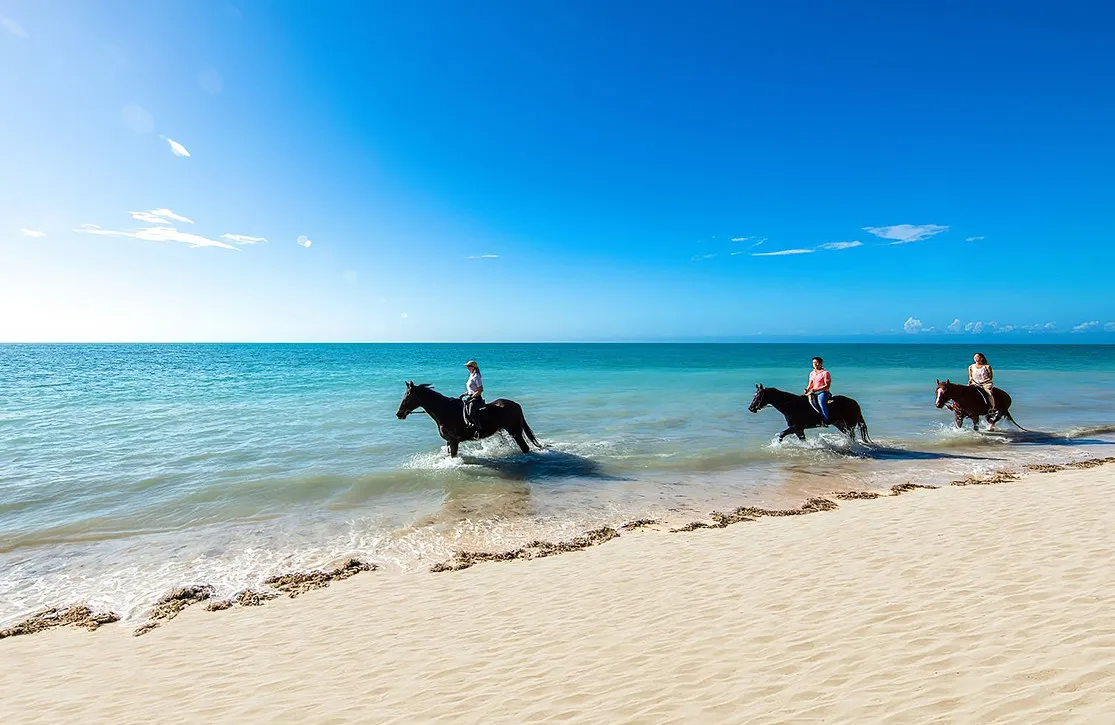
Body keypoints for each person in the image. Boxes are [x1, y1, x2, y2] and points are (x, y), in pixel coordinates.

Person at [804, 356, 832, 425]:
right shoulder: (812, 373)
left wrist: (815, 389)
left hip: (823, 392)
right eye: (814, 362)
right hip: (812, 392)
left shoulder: (825, 373)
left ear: (820, 364)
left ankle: (825, 420)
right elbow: (810, 384)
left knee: (821, 403)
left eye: (817, 363)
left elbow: (827, 386)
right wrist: (806, 389)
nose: (815, 364)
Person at [462, 360, 485, 439]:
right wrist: (465, 394)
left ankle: (480, 429)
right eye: (467, 366)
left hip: (476, 398)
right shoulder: (471, 375)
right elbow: (471, 389)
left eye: (468, 366)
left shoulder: (476, 376)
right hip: (470, 396)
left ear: (473, 367)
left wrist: (472, 396)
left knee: (471, 413)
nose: (467, 368)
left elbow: (480, 389)